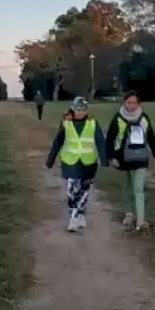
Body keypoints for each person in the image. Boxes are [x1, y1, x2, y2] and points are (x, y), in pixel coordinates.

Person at [45, 96, 108, 232]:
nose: (80, 112)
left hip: (89, 162)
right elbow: (58, 142)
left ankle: (80, 215)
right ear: (73, 109)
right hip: (70, 161)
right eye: (78, 109)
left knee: (84, 192)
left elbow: (100, 142)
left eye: (83, 110)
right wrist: (50, 159)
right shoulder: (66, 123)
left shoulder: (93, 123)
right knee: (72, 190)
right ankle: (73, 218)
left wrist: (104, 159)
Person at [105, 90, 155, 231]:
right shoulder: (117, 118)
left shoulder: (144, 118)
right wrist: (111, 157)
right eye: (129, 103)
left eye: (134, 103)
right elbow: (110, 139)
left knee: (138, 188)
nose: (132, 106)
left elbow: (151, 136)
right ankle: (129, 214)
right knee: (127, 187)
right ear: (124, 103)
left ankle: (141, 220)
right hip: (122, 158)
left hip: (140, 157)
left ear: (139, 104)